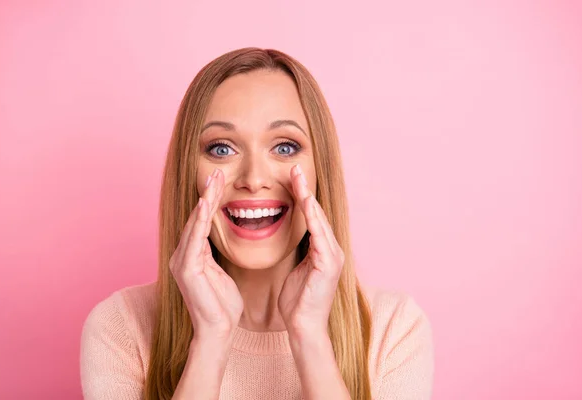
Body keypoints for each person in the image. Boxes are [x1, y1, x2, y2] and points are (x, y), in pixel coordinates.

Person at [80, 47, 434, 400]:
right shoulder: (121, 327)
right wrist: (210, 340)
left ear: (319, 171)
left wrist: (310, 337)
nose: (253, 178)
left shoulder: (394, 330)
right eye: (221, 148)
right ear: (188, 172)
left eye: (284, 147)